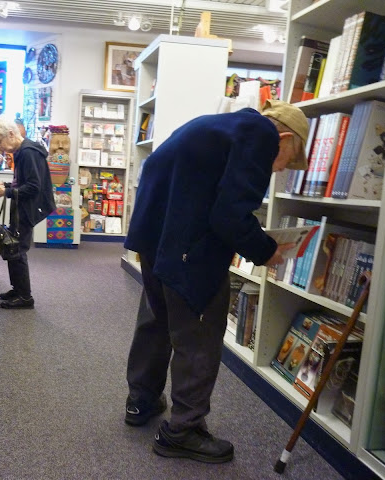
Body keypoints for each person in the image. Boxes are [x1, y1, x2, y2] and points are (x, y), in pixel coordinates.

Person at [123, 99, 309, 463]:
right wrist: (266, 250)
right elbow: (230, 215)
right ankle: (183, 431)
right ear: (284, 137)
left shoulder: (216, 125)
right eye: (290, 157)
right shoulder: (260, 135)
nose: (283, 167)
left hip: (152, 237)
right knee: (200, 334)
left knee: (157, 319)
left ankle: (141, 400)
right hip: (189, 249)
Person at [0, 115, 56, 309]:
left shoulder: (28, 152)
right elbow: (24, 183)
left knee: (18, 250)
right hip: (23, 205)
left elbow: (34, 186)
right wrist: (7, 186)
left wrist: (6, 191)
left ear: (10, 134)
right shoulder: (21, 152)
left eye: (0, 141)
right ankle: (17, 289)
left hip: (28, 206)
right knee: (13, 247)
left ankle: (25, 297)